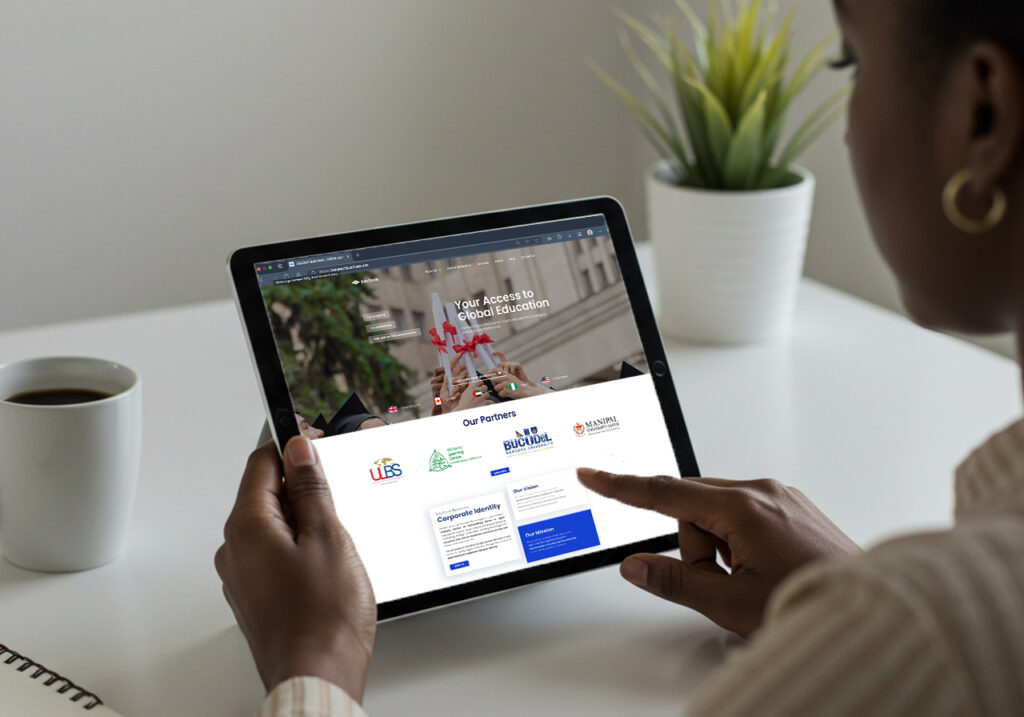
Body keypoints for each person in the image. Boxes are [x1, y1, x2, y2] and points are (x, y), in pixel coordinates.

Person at [215, 1, 1024, 714]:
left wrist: (314, 660)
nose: (846, 128)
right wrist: (846, 601)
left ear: (984, 112)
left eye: (853, 62)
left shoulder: (939, 630)